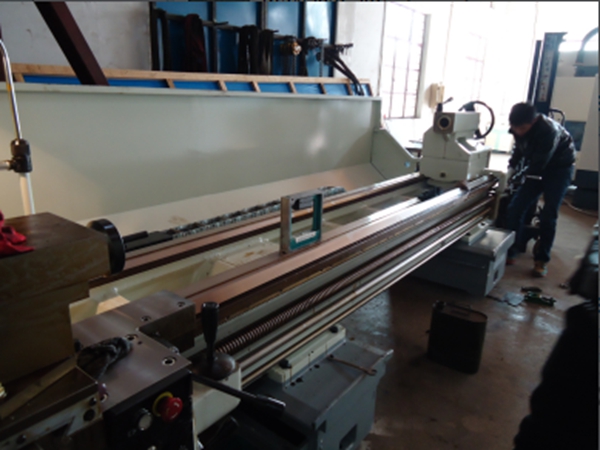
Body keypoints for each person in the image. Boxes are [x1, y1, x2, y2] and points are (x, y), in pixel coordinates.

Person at [505, 102, 576, 277]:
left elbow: (539, 163)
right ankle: (511, 249)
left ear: (534, 121)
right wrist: (510, 169)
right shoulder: (518, 129)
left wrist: (519, 176)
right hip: (538, 166)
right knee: (515, 208)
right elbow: (519, 150)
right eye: (515, 128)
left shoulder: (549, 131)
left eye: (522, 128)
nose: (518, 132)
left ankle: (541, 260)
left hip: (559, 169)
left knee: (548, 215)